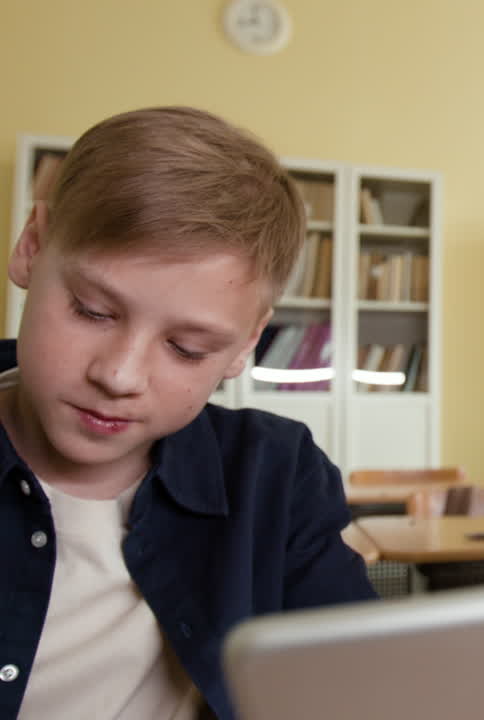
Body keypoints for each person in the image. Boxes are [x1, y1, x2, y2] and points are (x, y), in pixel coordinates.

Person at [0, 107, 376, 719]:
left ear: (245, 346)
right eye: (93, 310)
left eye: (186, 348)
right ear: (31, 248)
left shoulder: (274, 471)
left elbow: (356, 683)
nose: (118, 376)